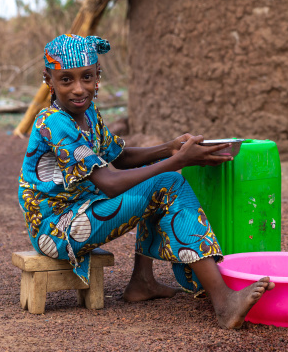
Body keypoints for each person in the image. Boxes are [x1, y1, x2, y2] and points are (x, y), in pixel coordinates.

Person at [18, 34, 274, 329]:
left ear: (98, 75)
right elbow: (111, 182)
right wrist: (178, 161)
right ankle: (224, 302)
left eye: (87, 77)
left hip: (83, 210)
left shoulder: (87, 114)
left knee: (153, 170)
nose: (79, 88)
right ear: (48, 80)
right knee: (167, 182)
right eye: (66, 80)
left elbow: (121, 157)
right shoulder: (53, 121)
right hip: (58, 229)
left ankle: (142, 282)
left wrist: (170, 148)